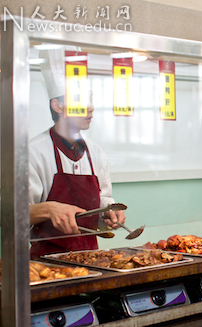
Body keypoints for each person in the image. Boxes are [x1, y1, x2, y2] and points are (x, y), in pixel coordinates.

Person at [29, 48, 126, 258]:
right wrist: (49, 209)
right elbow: (14, 215)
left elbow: (102, 201)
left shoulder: (96, 153)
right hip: (46, 264)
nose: (90, 108)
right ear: (58, 106)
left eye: (90, 99)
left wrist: (109, 212)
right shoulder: (33, 152)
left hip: (92, 260)